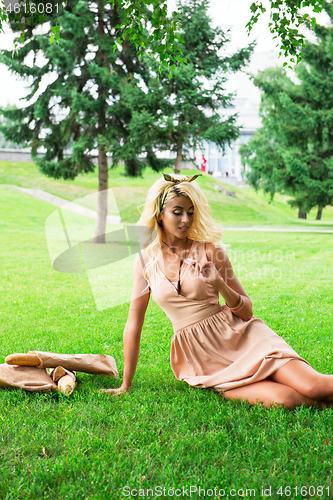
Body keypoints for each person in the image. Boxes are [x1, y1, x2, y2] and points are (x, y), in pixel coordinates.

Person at [102, 173, 333, 408]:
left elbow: (247, 311)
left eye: (191, 212)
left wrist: (220, 284)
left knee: (315, 387)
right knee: (286, 400)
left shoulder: (210, 251)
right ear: (160, 215)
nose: (185, 220)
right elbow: (133, 325)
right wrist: (125, 384)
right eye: (177, 212)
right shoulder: (145, 262)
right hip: (204, 358)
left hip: (243, 338)